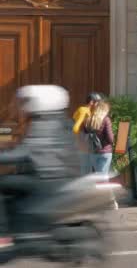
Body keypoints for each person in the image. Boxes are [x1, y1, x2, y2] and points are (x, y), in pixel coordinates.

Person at [0, 85, 81, 248]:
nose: (24, 106)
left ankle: (3, 234)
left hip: (45, 178)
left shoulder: (44, 123)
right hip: (58, 176)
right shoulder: (60, 121)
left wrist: (4, 156)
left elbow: (26, 151)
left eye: (28, 101)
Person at [83, 101, 114, 176]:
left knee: (97, 175)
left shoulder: (89, 119)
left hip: (93, 152)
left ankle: (96, 187)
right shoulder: (106, 120)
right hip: (105, 151)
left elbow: (85, 134)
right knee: (102, 177)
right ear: (104, 110)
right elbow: (110, 139)